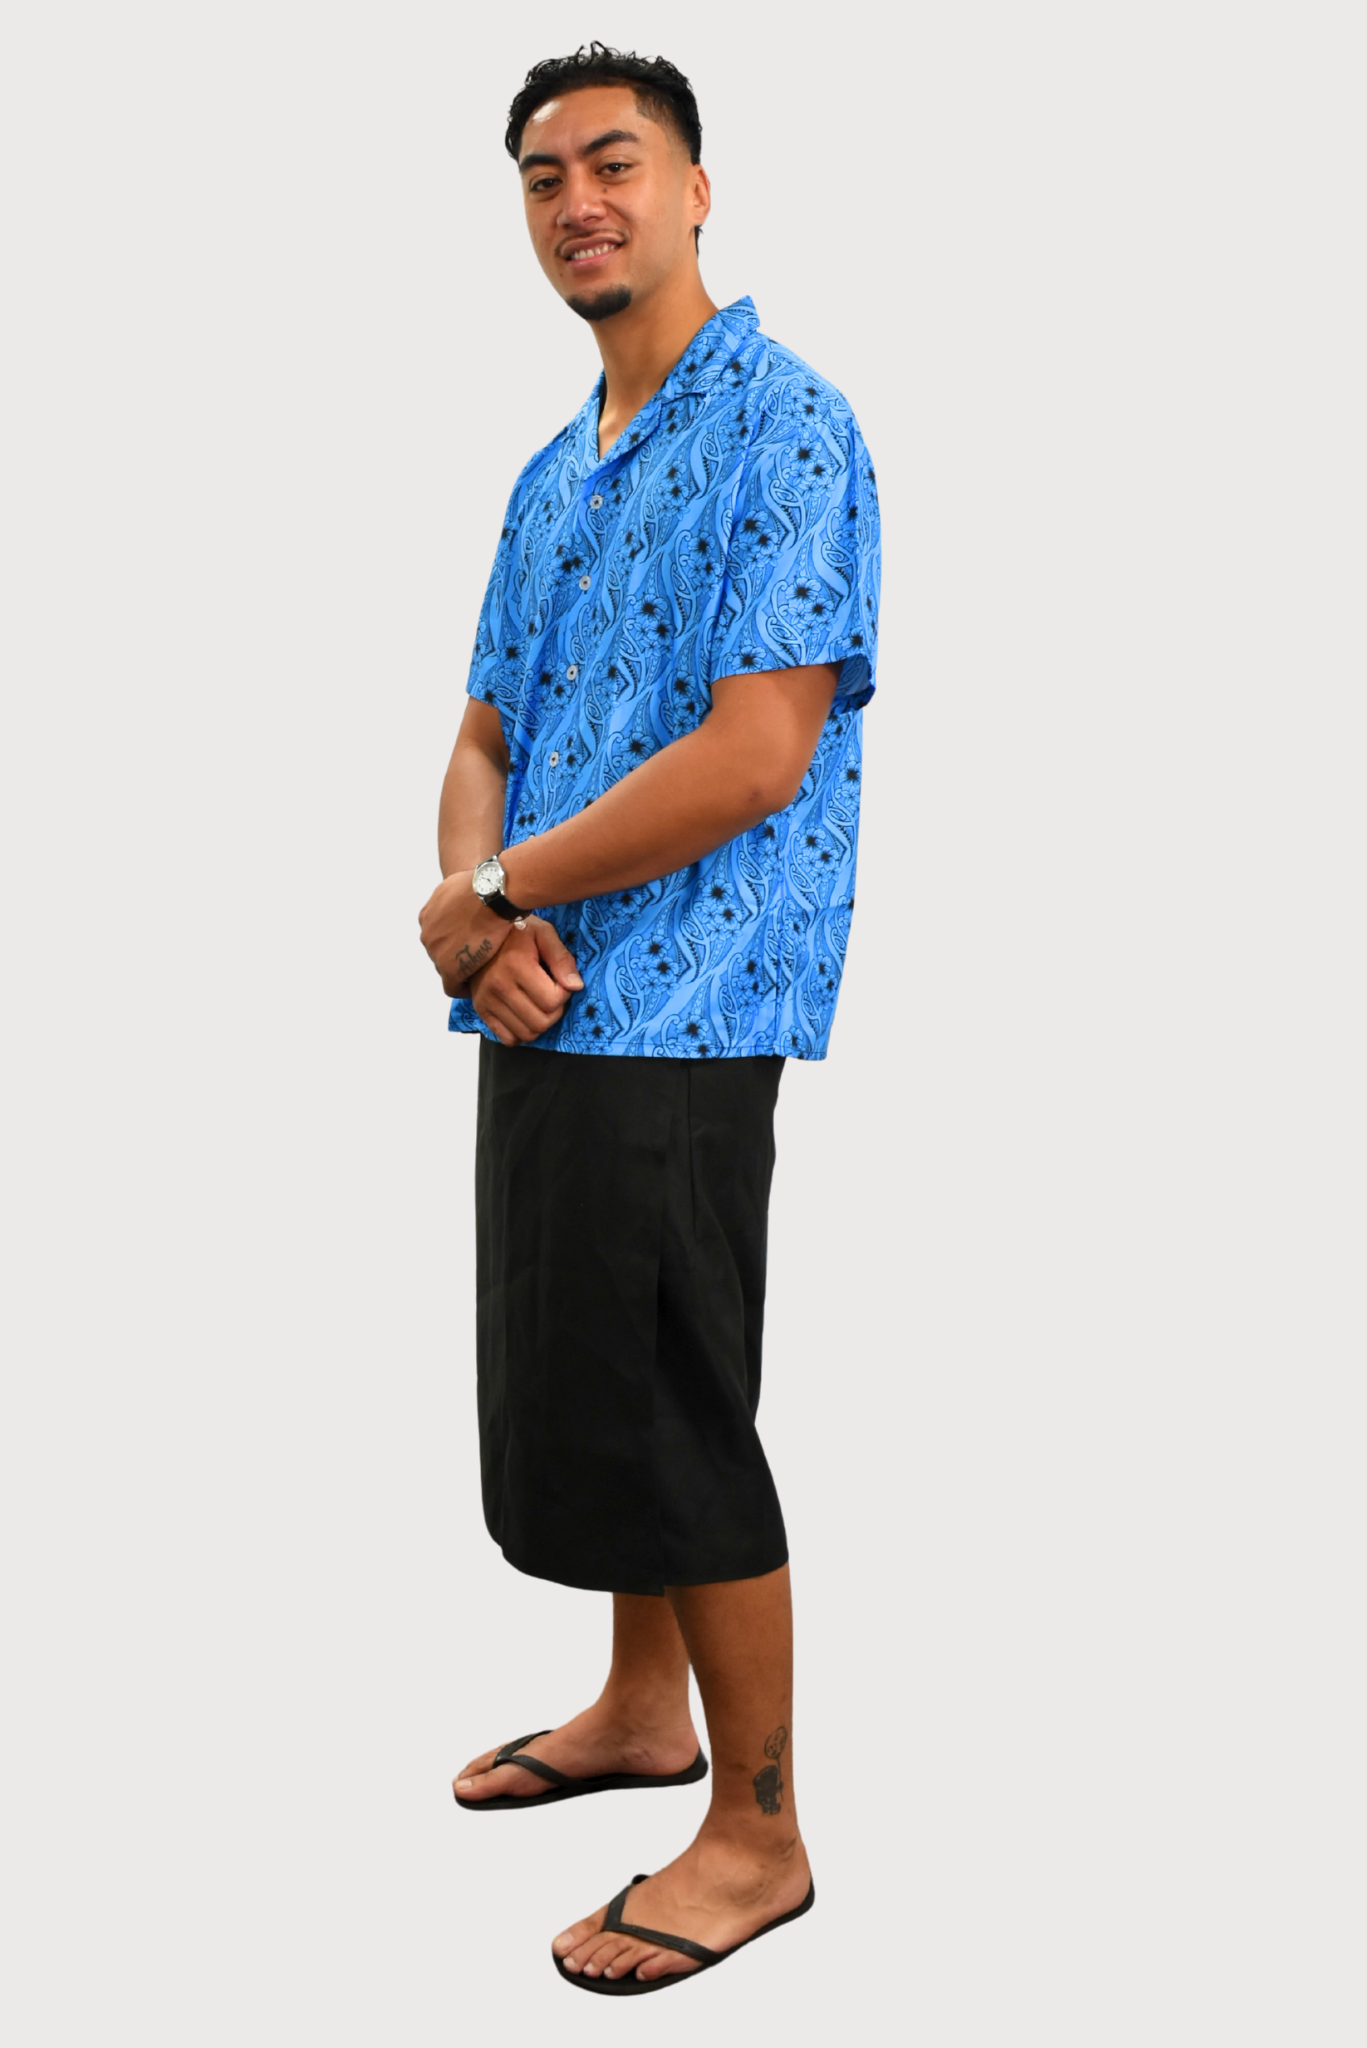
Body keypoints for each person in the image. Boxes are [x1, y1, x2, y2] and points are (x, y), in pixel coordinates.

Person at [418, 43, 880, 1995]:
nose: (576, 202)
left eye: (612, 162)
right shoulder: (555, 473)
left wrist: (499, 894)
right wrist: (477, 915)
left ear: (694, 189)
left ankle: (759, 1831)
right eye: (542, 176)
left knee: (676, 1402)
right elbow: (484, 731)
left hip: (686, 1008)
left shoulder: (787, 426)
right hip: (545, 1006)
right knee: (583, 1383)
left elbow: (759, 750)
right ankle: (638, 1706)